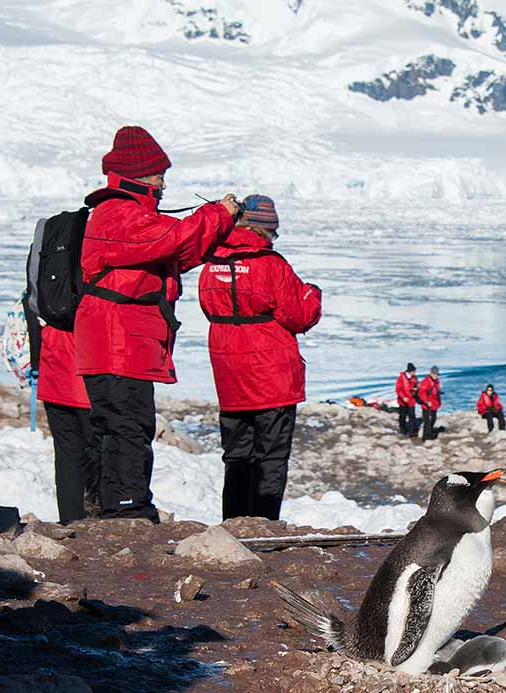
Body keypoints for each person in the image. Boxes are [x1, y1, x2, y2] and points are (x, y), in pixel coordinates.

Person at [75, 125, 239, 523]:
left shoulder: (129, 217)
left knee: (118, 424)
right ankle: (127, 509)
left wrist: (217, 225)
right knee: (127, 425)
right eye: (157, 174)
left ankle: (109, 504)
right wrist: (218, 213)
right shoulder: (119, 214)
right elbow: (173, 239)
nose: (163, 183)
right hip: (118, 342)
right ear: (137, 174)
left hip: (122, 341)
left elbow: (176, 251)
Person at [199, 194, 322, 521]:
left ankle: (234, 523)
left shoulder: (211, 263)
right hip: (272, 376)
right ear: (265, 229)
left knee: (237, 454)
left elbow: (209, 307)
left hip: (230, 374)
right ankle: (263, 524)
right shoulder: (271, 264)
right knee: (271, 455)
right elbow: (300, 314)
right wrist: (313, 292)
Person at [38, 325, 100, 524]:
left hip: (53, 364)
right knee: (101, 451)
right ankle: (103, 517)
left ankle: (70, 520)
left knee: (67, 455)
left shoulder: (45, 293)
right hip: (91, 371)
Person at [418, 366, 442, 440]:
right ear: (431, 373)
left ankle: (430, 433)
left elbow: (436, 391)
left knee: (433, 419)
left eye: (437, 374)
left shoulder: (436, 381)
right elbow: (421, 393)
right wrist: (426, 401)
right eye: (434, 374)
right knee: (427, 421)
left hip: (434, 404)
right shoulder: (426, 381)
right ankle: (426, 437)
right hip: (427, 405)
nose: (436, 375)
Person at [395, 363, 419, 437]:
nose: (415, 373)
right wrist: (403, 397)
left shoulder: (414, 378)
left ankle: (411, 432)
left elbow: (416, 385)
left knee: (412, 415)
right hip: (403, 401)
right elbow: (398, 389)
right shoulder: (401, 378)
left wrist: (416, 388)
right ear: (410, 371)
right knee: (403, 415)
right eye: (414, 371)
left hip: (411, 400)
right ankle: (402, 429)